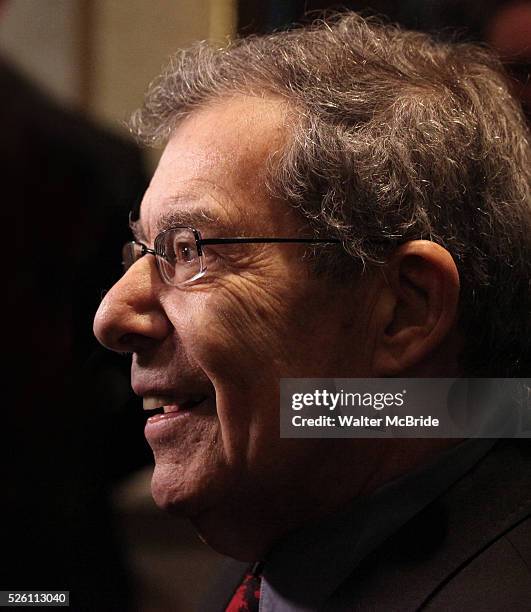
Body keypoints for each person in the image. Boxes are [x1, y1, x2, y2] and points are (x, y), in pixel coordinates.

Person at [93, 12, 531, 611]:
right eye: (141, 250)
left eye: (190, 250)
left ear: (405, 310)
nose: (113, 316)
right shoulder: (289, 552)